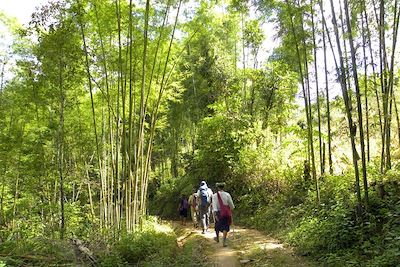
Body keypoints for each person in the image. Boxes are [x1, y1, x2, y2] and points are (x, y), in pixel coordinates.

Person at [212, 182, 234, 247]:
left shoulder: (215, 195)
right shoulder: (227, 195)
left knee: (217, 226)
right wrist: (230, 209)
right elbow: (232, 205)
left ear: (218, 188)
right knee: (225, 226)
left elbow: (214, 205)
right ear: (223, 187)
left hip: (218, 212)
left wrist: (215, 214)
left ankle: (217, 238)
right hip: (226, 213)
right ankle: (224, 242)